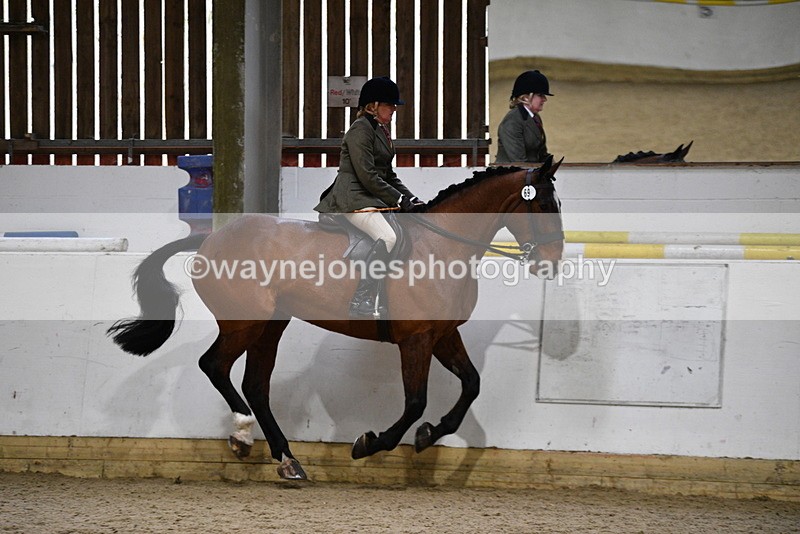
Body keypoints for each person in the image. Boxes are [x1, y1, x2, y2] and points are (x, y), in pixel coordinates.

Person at [315, 76, 423, 317]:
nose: (394, 110)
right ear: (373, 105)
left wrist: (411, 199)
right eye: (390, 105)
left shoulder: (381, 131)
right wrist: (398, 200)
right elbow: (367, 175)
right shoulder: (359, 130)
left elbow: (389, 175)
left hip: (371, 197)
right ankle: (361, 299)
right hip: (353, 198)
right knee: (388, 236)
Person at [494, 70, 553, 165]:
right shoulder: (512, 121)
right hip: (509, 175)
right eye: (540, 95)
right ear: (526, 97)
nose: (544, 99)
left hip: (530, 174)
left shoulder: (535, 118)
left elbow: (542, 154)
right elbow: (519, 161)